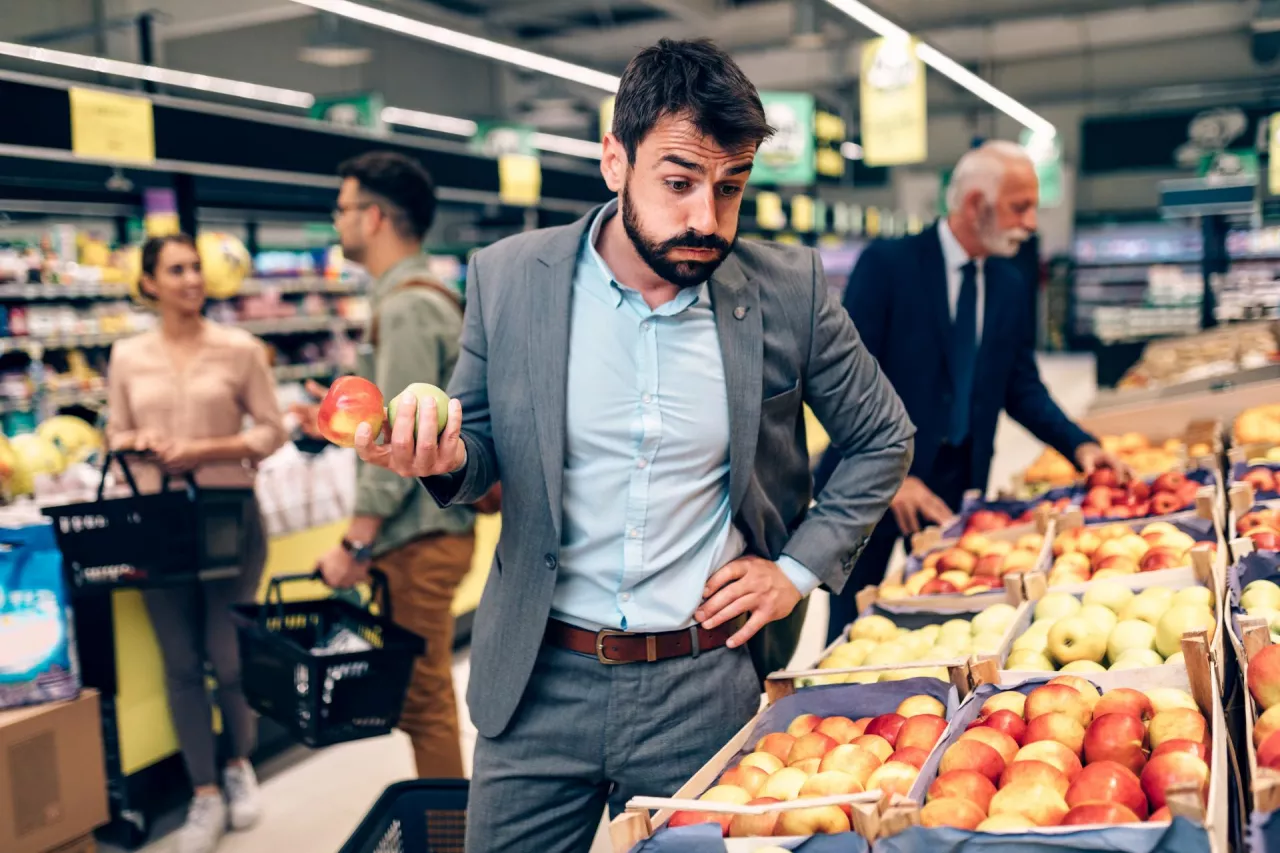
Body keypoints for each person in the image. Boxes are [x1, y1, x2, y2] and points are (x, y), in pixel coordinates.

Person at [353, 38, 914, 853]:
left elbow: (880, 433)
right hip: (537, 679)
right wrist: (443, 457)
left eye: (731, 188)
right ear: (614, 160)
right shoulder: (511, 280)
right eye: (679, 182)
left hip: (704, 677)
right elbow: (475, 444)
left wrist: (795, 570)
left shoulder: (787, 292)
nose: (705, 219)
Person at [814, 141, 1125, 644]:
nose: (1029, 222)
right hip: (868, 486)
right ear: (976, 204)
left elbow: (1020, 385)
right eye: (1019, 207)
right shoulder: (889, 265)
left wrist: (1080, 444)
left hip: (955, 484)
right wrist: (889, 474)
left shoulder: (1008, 282)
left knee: (940, 624)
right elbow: (841, 382)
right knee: (854, 632)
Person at [298, 151, 477, 779]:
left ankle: (449, 839)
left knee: (424, 704)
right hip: (431, 529)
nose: (336, 220)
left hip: (419, 537)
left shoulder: (403, 307)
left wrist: (355, 543)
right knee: (422, 697)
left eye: (343, 209)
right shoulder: (420, 296)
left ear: (373, 218)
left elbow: (398, 440)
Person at [106, 234, 286, 853]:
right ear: (149, 282)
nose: (191, 279)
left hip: (227, 516)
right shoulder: (127, 355)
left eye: (195, 269)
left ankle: (239, 765)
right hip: (157, 526)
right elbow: (114, 434)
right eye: (176, 270)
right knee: (180, 663)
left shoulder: (238, 350)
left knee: (228, 656)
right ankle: (203, 792)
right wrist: (137, 443)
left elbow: (271, 432)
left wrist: (203, 450)